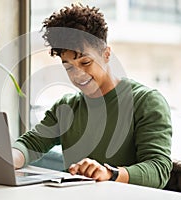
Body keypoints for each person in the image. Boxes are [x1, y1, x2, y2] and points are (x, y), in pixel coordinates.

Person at [12, 4, 172, 189]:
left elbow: (159, 170)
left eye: (85, 62)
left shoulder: (146, 102)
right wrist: (9, 159)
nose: (77, 74)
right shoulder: (66, 107)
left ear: (106, 54)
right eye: (69, 67)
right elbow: (31, 143)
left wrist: (110, 174)